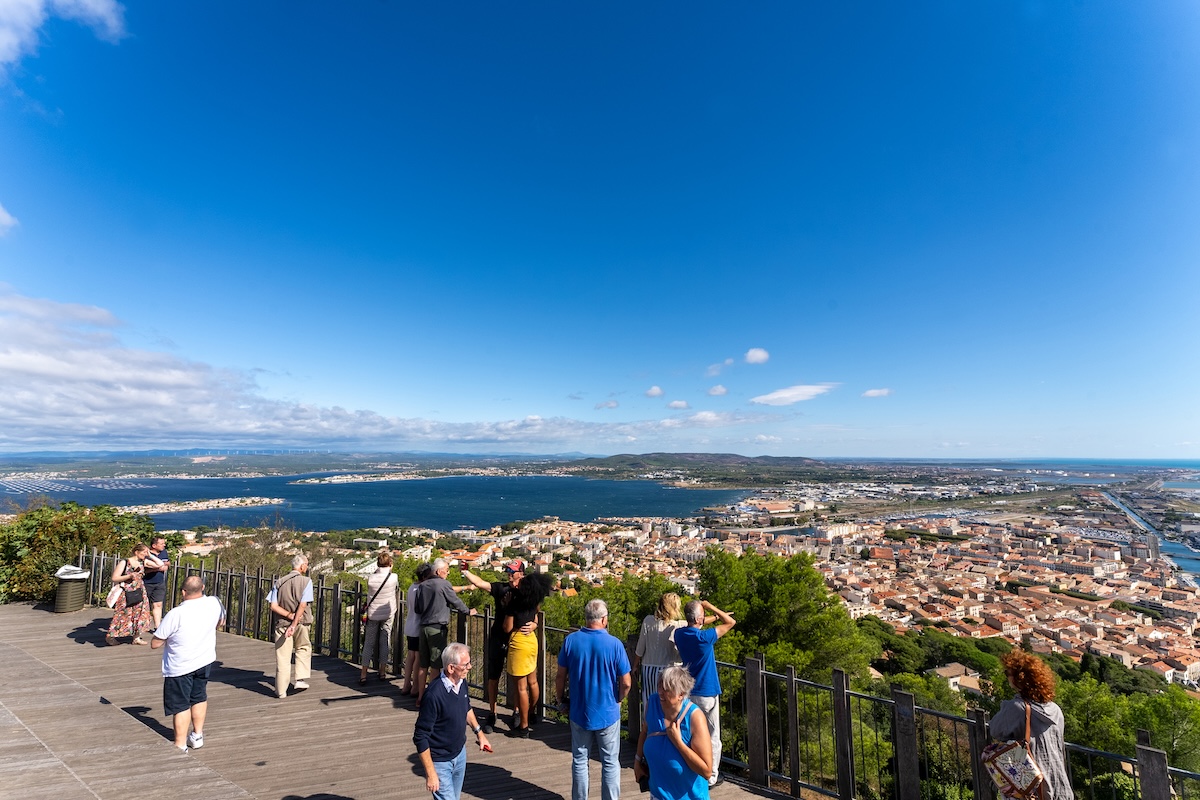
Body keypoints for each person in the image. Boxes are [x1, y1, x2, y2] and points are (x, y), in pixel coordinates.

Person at [554, 598, 632, 800]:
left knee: (580, 760)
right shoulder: (615, 645)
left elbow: (560, 675)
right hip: (607, 711)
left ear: (587, 618)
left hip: (579, 710)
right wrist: (619, 699)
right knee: (610, 762)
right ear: (604, 619)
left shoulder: (571, 640)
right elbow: (626, 682)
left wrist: (561, 700)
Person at [460, 559, 538, 732]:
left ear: (521, 573)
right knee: (493, 677)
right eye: (508, 571)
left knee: (518, 680)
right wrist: (465, 572)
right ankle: (492, 713)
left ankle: (517, 712)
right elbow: (480, 583)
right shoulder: (501, 588)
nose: (509, 574)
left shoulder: (527, 591)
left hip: (517, 640)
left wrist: (535, 624)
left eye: (512, 571)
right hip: (498, 637)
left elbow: (535, 613)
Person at [151, 576, 225, 753]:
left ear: (183, 592)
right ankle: (197, 735)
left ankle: (180, 744)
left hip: (180, 665)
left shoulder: (176, 613)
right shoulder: (214, 603)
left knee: (180, 705)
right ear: (203, 588)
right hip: (204, 659)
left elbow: (156, 642)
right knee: (199, 697)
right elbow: (221, 622)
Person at [413, 642, 492, 800]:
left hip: (459, 754)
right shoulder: (433, 695)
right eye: (465, 664)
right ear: (451, 668)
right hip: (440, 762)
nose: (469, 667)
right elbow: (420, 737)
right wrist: (431, 774)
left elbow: (466, 708)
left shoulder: (461, 683)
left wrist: (480, 734)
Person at [989, 651, 1071, 800]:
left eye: (1007, 673)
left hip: (1032, 788)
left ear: (1018, 679)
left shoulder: (1016, 708)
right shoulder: (1055, 709)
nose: (1007, 676)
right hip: (1059, 785)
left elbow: (995, 729)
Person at [673, 600, 736, 787]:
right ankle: (710, 776)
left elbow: (695, 623)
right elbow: (731, 623)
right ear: (700, 618)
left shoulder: (679, 634)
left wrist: (710, 617)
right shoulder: (704, 638)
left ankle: (691, 769)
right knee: (712, 736)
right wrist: (713, 608)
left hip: (687, 692)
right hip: (706, 692)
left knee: (690, 734)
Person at [634, 666, 712, 800]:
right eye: (659, 686)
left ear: (681, 694)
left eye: (666, 689)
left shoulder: (694, 717)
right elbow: (645, 731)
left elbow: (706, 771)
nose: (660, 692)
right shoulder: (652, 704)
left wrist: (678, 743)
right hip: (657, 795)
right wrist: (637, 760)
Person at [414, 558, 476, 705]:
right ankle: (432, 698)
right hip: (437, 628)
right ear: (438, 571)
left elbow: (417, 608)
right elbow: (455, 601)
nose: (448, 573)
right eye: (446, 570)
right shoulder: (443, 584)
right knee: (436, 664)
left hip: (423, 627)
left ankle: (420, 696)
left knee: (423, 664)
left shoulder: (422, 586)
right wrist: (468, 611)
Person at [502, 571, 553, 737]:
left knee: (521, 687)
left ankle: (523, 726)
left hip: (518, 643)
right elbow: (536, 616)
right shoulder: (534, 601)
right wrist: (534, 624)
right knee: (533, 681)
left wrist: (507, 606)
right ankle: (531, 713)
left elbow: (507, 628)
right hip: (531, 640)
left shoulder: (515, 603)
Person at [267, 554, 313, 699]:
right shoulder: (306, 582)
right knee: (303, 648)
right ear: (301, 566)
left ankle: (281, 690)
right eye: (306, 564)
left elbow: (273, 606)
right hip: (302, 622)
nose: (307, 566)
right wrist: (295, 621)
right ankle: (300, 679)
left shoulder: (279, 582)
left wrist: (288, 615)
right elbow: (303, 604)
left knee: (282, 657)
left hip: (282, 623)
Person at [632, 593, 686, 710]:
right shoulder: (679, 625)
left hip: (649, 670)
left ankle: (649, 726)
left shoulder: (648, 621)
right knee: (669, 705)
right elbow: (698, 622)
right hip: (670, 671)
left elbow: (640, 648)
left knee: (650, 703)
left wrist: (635, 666)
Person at [360, 551, 399, 685]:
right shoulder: (393, 577)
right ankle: (382, 671)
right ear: (390, 564)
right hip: (388, 613)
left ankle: (363, 673)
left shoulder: (371, 578)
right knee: (384, 640)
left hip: (373, 614)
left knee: (368, 643)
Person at [107, 543, 153, 646]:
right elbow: (115, 578)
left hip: (140, 591)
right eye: (144, 552)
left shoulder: (142, 562)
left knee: (140, 613)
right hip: (126, 591)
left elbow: (159, 564)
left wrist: (150, 555)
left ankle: (136, 637)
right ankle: (111, 636)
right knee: (122, 614)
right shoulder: (125, 562)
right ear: (137, 552)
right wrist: (128, 576)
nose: (146, 554)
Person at [403, 563, 434, 696]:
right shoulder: (422, 588)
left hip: (409, 625)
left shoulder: (412, 587)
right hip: (418, 626)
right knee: (418, 657)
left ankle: (406, 684)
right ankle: (415, 685)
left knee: (410, 655)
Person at [143, 535, 170, 631]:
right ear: (154, 545)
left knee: (158, 604)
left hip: (159, 582)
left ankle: (158, 626)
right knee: (144, 605)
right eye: (161, 543)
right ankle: (143, 625)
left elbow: (167, 562)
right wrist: (156, 569)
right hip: (147, 582)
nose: (164, 545)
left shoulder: (164, 553)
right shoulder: (146, 555)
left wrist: (166, 565)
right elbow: (143, 570)